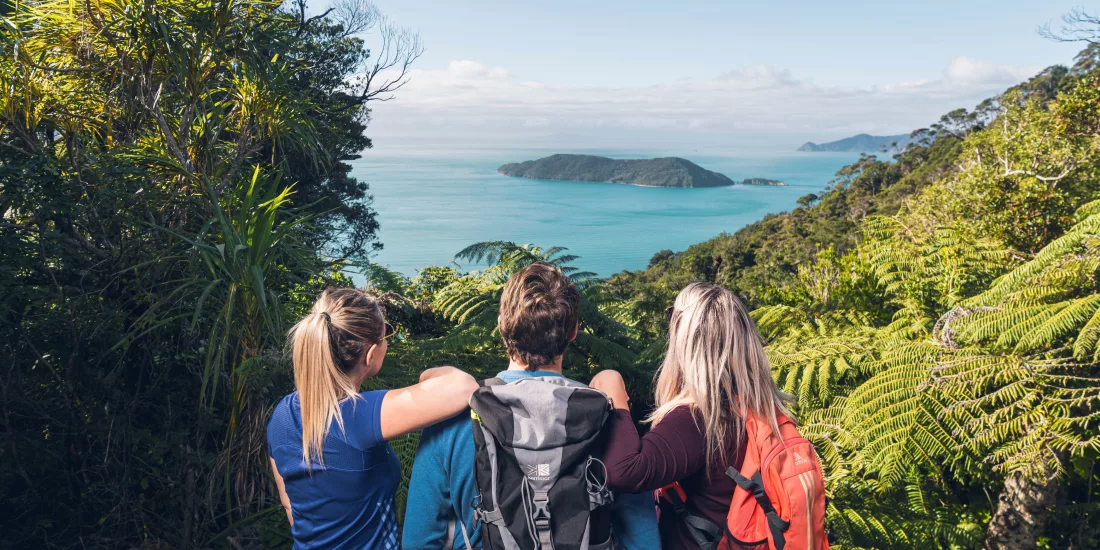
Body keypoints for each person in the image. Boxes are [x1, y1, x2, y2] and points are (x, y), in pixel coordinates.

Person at [402, 261, 660, 550]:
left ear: (501, 325)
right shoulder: (608, 420)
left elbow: (418, 540)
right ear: (573, 331)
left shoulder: (452, 421)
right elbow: (644, 540)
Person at [266, 288, 479, 549]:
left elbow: (290, 505)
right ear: (370, 355)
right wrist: (427, 375)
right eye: (385, 335)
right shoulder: (359, 416)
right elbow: (463, 387)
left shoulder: (281, 414)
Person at [590, 282, 796, 550]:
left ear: (686, 341)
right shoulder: (759, 410)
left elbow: (624, 472)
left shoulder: (701, 420)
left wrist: (613, 390)